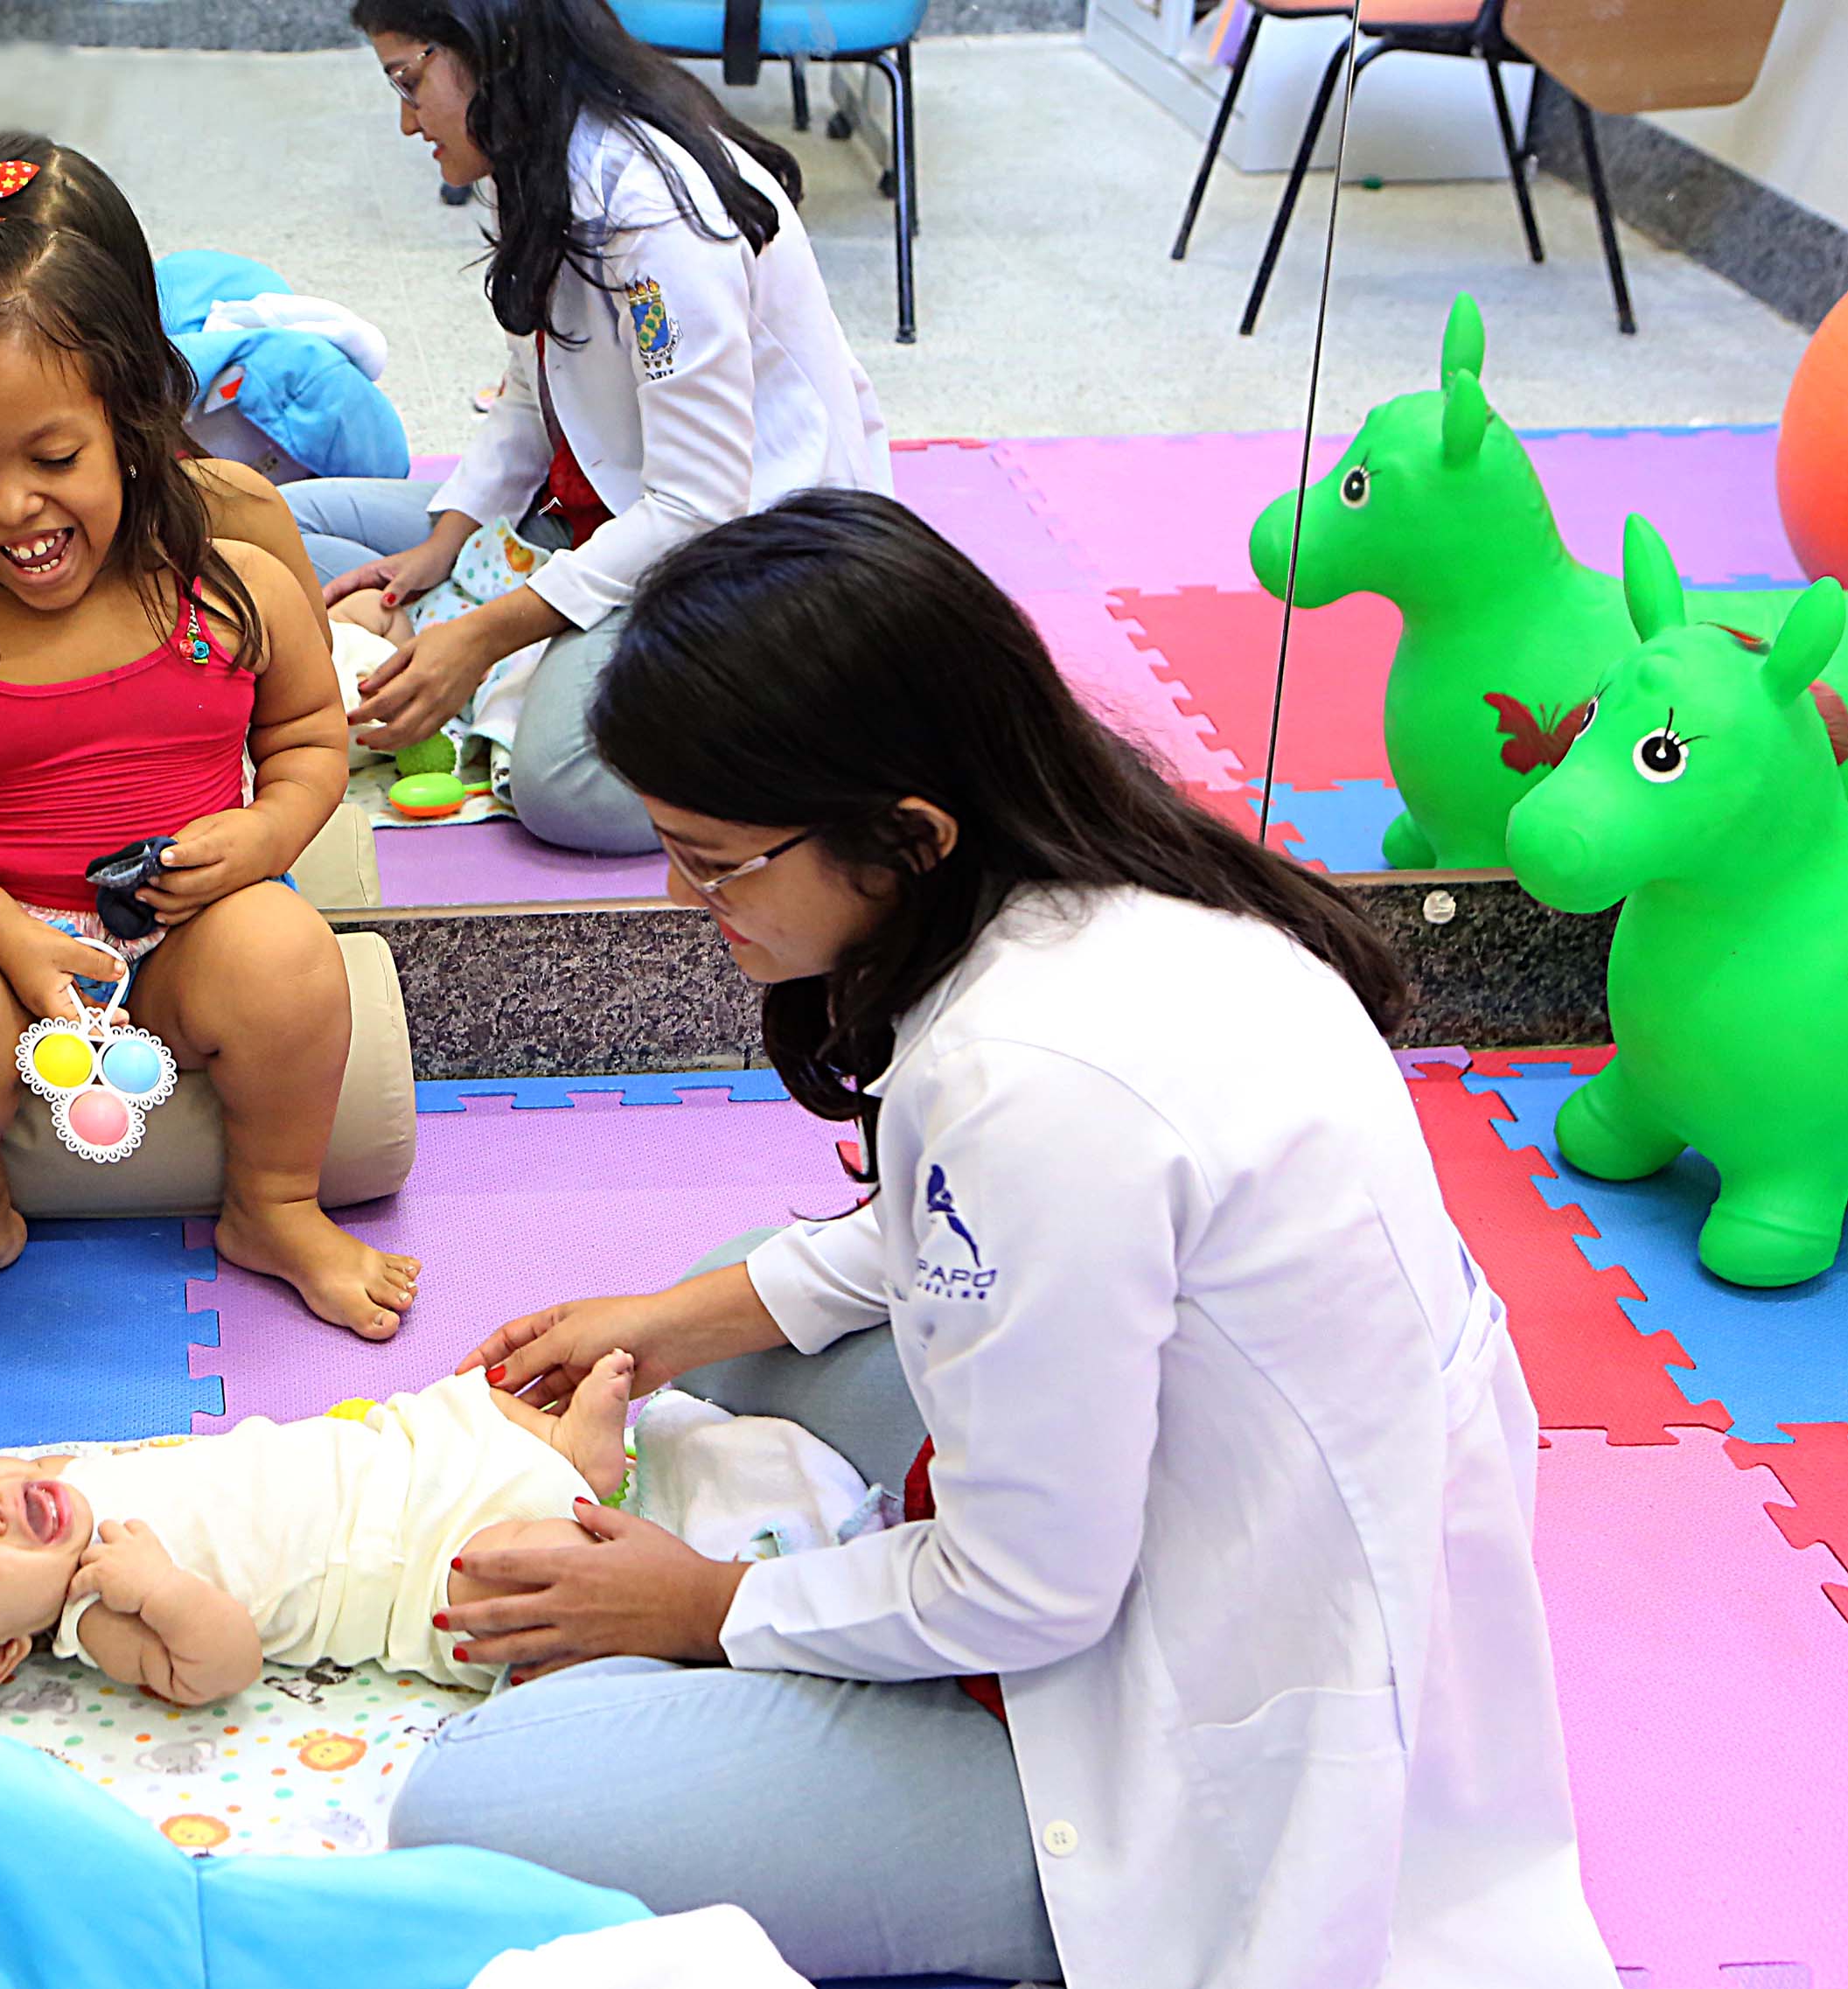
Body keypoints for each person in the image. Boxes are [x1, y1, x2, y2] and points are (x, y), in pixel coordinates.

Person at [385, 492, 1619, 1989]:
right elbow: (925, 1237)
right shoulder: (1102, 886)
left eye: (711, 860)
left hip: (1191, 1716)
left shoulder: (1030, 1082)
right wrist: (665, 1316)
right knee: (752, 1315)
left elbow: (1034, 1589)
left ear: (903, 837)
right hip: (1216, 1495)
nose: (679, 896)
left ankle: (989, 1860)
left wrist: (706, 1608)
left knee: (474, 1795)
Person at [0, 212, 417, 1353]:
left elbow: (305, 744)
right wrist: (1, 929)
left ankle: (275, 1205)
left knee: (289, 957)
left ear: (134, 425)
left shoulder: (230, 591)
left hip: (182, 928)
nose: (12, 509)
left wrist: (263, 838)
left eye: (53, 460)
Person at [289, 0, 890, 855]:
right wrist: (444, 543)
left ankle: (817, 732)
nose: (405, 121)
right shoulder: (529, 157)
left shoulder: (658, 221)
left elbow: (695, 508)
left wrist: (489, 630)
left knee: (563, 787)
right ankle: (479, 661)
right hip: (596, 504)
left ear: (488, 54)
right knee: (289, 529)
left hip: (734, 554)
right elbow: (534, 398)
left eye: (409, 83)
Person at [0, 1357, 641, 1706]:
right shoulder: (93, 1617)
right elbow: (222, 1667)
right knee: (521, 1583)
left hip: (391, 1466)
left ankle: (564, 1458)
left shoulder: (42, 1482)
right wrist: (160, 1592)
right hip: (410, 1568)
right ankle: (588, 1535)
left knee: (466, 1397)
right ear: (0, 1657)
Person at [0, 132, 324, 632]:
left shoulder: (235, 523)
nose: (12, 508)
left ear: (125, 365)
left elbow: (309, 694)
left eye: (55, 458)